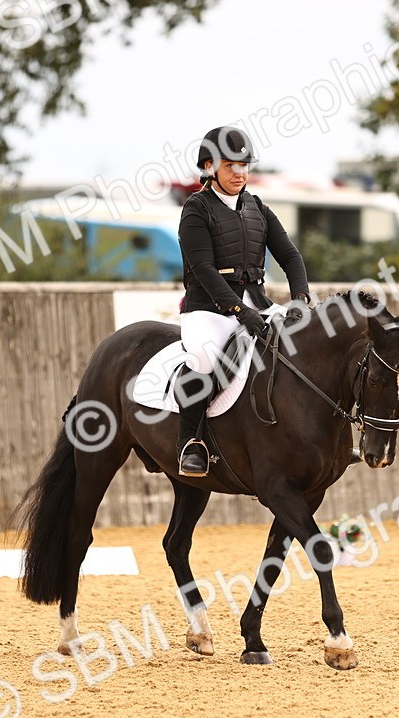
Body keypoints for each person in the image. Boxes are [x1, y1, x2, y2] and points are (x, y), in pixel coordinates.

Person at [174, 125, 312, 477]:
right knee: (204, 358)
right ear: (209, 167)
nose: (239, 173)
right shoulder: (196, 209)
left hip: (258, 302)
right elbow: (203, 269)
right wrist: (239, 311)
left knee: (306, 345)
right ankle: (191, 441)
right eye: (230, 166)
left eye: (244, 165)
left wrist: (300, 298)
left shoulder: (257, 207)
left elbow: (291, 257)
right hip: (209, 308)